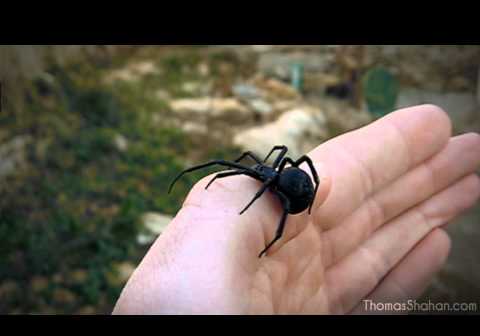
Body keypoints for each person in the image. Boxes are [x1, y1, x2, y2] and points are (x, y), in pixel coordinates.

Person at [113, 105, 480, 314]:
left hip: (295, 190)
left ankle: (286, 211)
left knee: (268, 181)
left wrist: (287, 194)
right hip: (296, 187)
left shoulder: (272, 182)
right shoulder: (269, 171)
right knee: (248, 164)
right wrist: (294, 185)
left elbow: (269, 175)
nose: (253, 174)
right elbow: (247, 162)